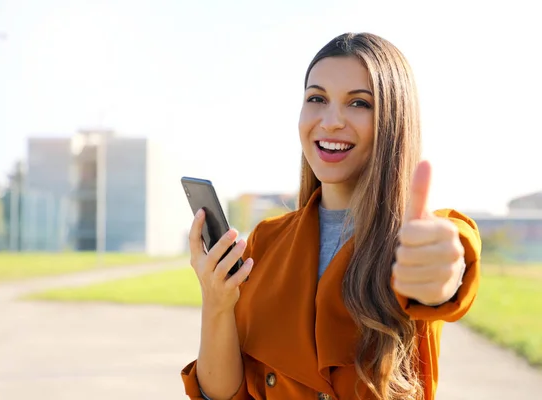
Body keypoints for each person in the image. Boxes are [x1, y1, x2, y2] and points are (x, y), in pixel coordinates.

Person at [181, 32, 481, 400]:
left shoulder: (416, 238)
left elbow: (451, 260)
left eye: (359, 103)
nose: (332, 120)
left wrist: (440, 274)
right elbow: (224, 394)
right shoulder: (265, 242)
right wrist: (216, 302)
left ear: (394, 120)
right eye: (317, 98)